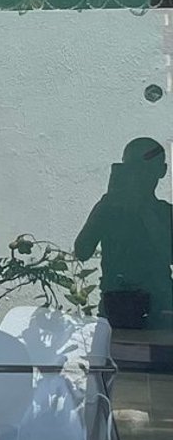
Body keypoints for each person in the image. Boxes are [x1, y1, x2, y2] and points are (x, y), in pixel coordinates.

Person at [74, 137, 173, 330]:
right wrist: (105, 208)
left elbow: (169, 254)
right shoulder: (109, 207)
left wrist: (144, 209)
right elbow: (82, 251)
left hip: (160, 307)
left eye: (145, 169)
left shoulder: (164, 213)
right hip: (117, 307)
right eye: (133, 169)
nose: (139, 176)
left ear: (161, 171)